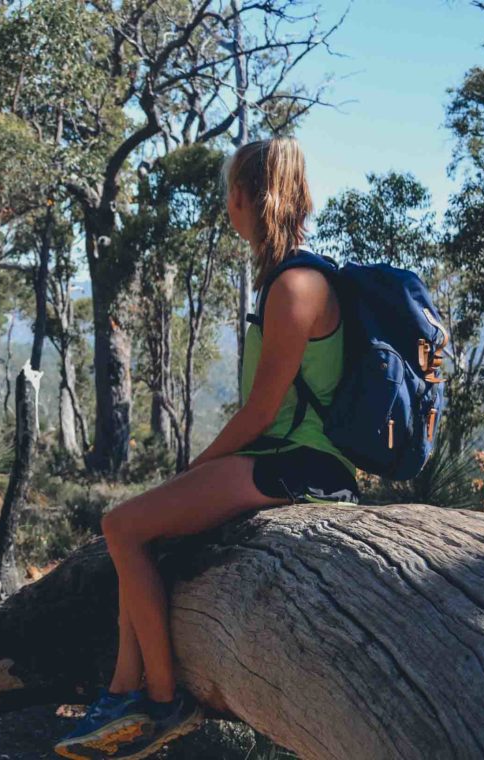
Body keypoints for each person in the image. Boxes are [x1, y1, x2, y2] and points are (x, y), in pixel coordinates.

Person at [53, 135, 360, 760]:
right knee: (142, 534)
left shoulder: (296, 285)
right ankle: (123, 692)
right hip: (282, 459)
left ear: (248, 198)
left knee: (123, 525)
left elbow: (261, 412)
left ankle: (163, 703)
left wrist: (199, 467)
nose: (228, 207)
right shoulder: (287, 279)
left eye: (230, 194)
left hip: (303, 467)